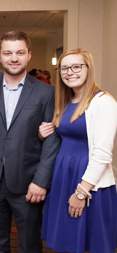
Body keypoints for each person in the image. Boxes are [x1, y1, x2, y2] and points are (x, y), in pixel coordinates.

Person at [0, 31, 61, 253]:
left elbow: (52, 141)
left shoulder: (47, 93)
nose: (14, 58)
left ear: (29, 55)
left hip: (29, 183)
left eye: (20, 52)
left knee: (29, 244)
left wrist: (41, 181)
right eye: (8, 53)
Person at [40, 48, 117, 253]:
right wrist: (43, 133)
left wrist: (82, 192)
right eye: (64, 68)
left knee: (92, 243)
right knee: (67, 241)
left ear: (88, 68)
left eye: (76, 66)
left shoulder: (103, 102)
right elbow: (64, 134)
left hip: (89, 182)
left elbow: (102, 154)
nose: (69, 72)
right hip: (63, 176)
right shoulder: (65, 101)